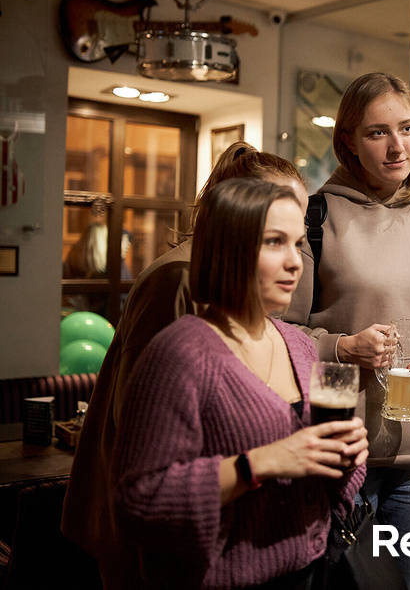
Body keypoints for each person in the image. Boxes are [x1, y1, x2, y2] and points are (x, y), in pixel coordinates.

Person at [62, 143, 311, 588]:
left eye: (297, 235)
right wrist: (263, 461)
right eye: (276, 233)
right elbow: (140, 425)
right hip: (159, 543)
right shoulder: (178, 278)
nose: (295, 258)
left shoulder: (252, 297)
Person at [283, 72, 410, 590]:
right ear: (348, 142)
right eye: (378, 132)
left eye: (407, 128)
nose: (398, 146)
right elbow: (280, 333)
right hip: (340, 452)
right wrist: (342, 347)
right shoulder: (317, 218)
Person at [107, 177, 367, 588]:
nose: (295, 261)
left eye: (297, 244)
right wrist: (256, 464)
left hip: (314, 570)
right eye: (274, 242)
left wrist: (347, 458)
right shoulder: (180, 354)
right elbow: (138, 501)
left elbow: (325, 476)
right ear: (230, 249)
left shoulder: (300, 345)